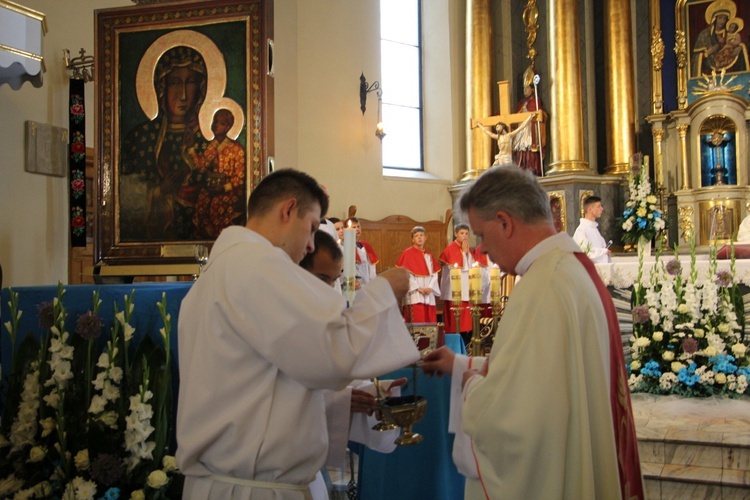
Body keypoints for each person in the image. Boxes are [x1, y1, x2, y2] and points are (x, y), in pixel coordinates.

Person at [176, 168, 420, 499]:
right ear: (288, 210)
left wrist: (356, 392)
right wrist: (383, 291)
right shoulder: (256, 265)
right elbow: (334, 353)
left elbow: (276, 377)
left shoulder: (221, 271)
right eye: (310, 227)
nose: (309, 245)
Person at [421, 166, 644, 499]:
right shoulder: (568, 267)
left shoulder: (544, 285)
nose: (480, 250)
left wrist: (471, 388)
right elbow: (542, 375)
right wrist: (460, 365)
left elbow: (516, 416)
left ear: (505, 222)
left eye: (481, 235)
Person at [300, 230, 404, 495]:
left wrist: (375, 395)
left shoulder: (323, 317)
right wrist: (342, 400)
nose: (329, 288)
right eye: (322, 277)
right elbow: (283, 397)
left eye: (334, 280)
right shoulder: (287, 320)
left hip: (307, 469)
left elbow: (340, 373)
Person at [121, 45, 210, 242]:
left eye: (191, 83)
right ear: (162, 87)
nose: (183, 95)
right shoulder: (141, 137)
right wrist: (160, 191)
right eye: (175, 83)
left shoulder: (208, 139)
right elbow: (123, 197)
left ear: (201, 88)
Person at [190, 108, 247, 239]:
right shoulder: (212, 146)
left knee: (220, 210)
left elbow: (239, 178)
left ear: (227, 126)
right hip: (211, 190)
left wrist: (223, 188)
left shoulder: (236, 149)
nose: (215, 125)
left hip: (228, 192)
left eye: (220, 123)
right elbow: (201, 166)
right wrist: (192, 149)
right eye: (214, 121)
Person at [396, 226, 441, 323]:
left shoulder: (429, 255)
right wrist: (417, 287)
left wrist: (430, 287)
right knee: (417, 321)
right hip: (415, 294)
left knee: (429, 322)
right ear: (412, 239)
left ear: (425, 237)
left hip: (428, 294)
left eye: (421, 235)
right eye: (416, 236)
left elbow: (434, 274)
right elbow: (406, 273)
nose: (419, 238)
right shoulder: (407, 253)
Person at [692, 1, 748, 76]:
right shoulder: (704, 34)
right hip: (710, 70)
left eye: (724, 19)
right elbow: (695, 57)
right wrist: (707, 53)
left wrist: (740, 47)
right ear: (714, 19)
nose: (722, 21)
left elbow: (740, 43)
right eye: (720, 18)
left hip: (730, 68)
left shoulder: (730, 32)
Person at [439, 223, 475, 339]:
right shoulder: (451, 249)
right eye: (461, 233)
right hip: (454, 291)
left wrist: (466, 253)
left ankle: (466, 341)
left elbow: (470, 267)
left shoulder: (466, 248)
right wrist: (464, 253)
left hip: (465, 290)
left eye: (466, 234)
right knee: (454, 323)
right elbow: (460, 269)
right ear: (456, 234)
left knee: (466, 321)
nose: (464, 236)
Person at [512, 66, 547, 176]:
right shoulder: (521, 103)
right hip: (521, 132)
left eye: (526, 88)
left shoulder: (536, 101)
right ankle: (521, 167)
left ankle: (531, 167)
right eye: (523, 88)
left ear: (532, 89)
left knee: (529, 150)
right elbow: (515, 117)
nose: (524, 90)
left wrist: (536, 114)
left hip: (530, 132)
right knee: (521, 150)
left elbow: (541, 115)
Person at [573, 195, 611, 264]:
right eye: (598, 206)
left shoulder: (594, 229)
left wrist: (605, 251)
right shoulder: (581, 230)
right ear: (590, 209)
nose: (602, 209)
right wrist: (603, 251)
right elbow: (585, 253)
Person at [345, 217, 378, 286]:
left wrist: (373, 279)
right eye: (354, 227)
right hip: (355, 282)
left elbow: (371, 264)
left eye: (358, 226)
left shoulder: (365, 245)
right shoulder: (347, 246)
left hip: (367, 279)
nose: (357, 229)